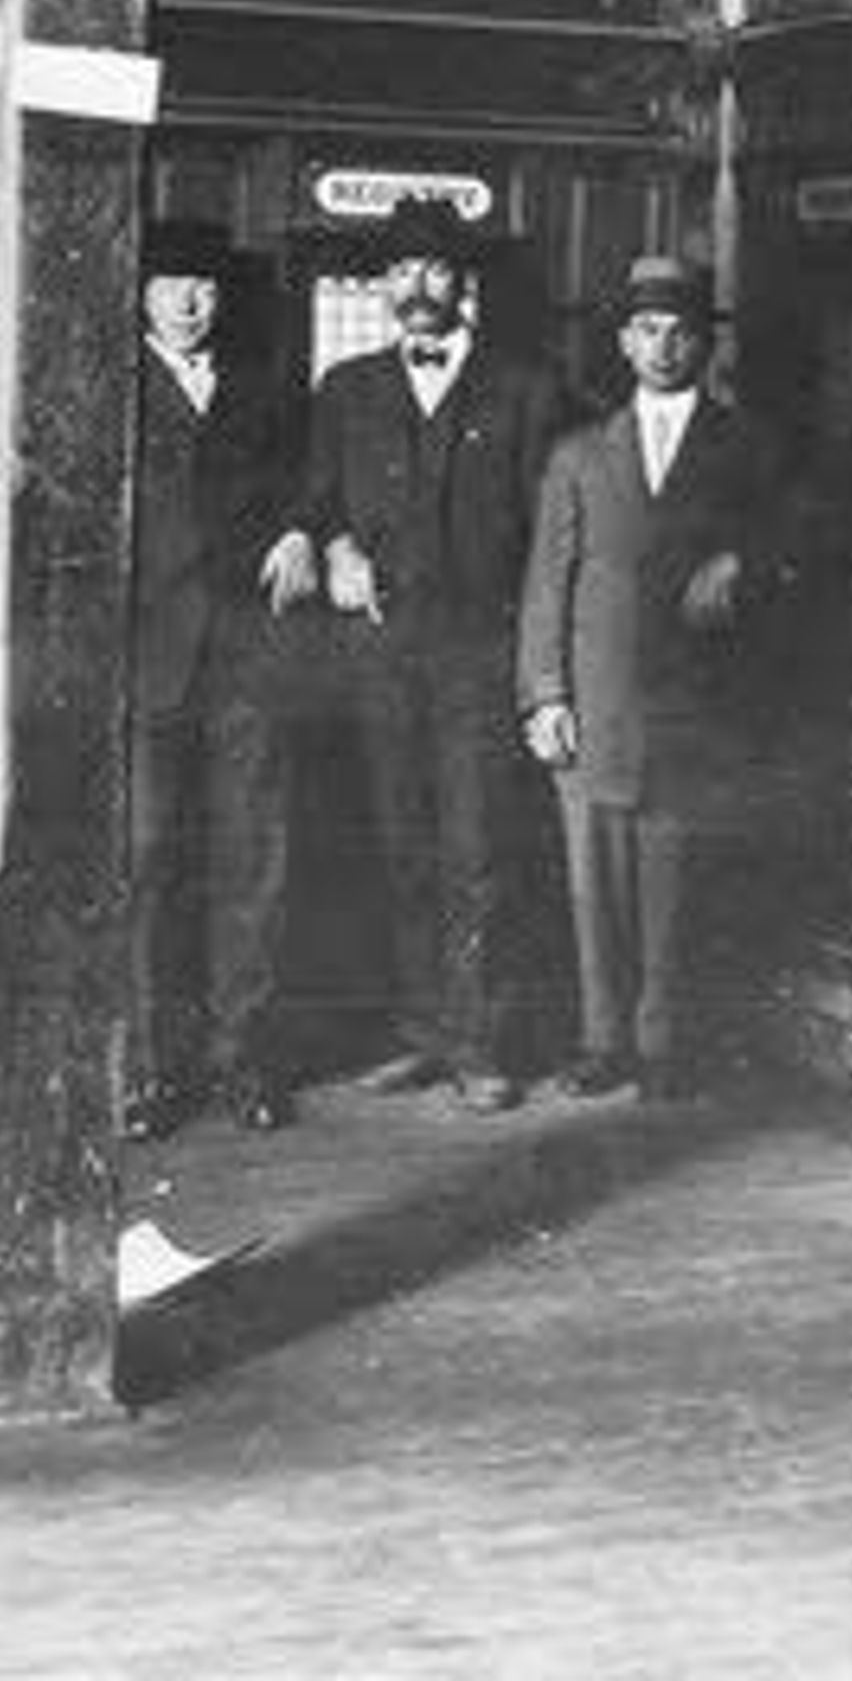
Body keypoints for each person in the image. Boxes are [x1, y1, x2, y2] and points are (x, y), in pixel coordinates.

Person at [265, 194, 566, 1107]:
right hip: (383, 653)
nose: (417, 287)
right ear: (385, 284)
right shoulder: (347, 389)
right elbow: (317, 503)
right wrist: (336, 544)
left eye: (435, 270)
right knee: (400, 843)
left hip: (482, 654)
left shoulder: (527, 391)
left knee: (479, 849)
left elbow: (552, 534)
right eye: (401, 271)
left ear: (462, 285)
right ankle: (421, 1031)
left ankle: (481, 1045)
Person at [519, 256, 786, 1104]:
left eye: (679, 331)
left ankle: (664, 1040)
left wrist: (744, 559)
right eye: (645, 330)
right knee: (591, 876)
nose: (662, 346)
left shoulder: (747, 444)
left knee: (672, 877)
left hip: (696, 702)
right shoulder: (579, 451)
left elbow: (798, 548)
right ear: (624, 342)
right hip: (594, 701)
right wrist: (544, 693)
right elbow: (545, 581)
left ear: (704, 343)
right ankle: (604, 1040)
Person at [122, 219, 298, 1140]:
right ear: (141, 294)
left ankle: (246, 1061)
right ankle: (150, 1068)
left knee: (250, 864)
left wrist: (302, 530)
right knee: (146, 863)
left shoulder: (263, 390)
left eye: (204, 287)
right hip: (145, 658)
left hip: (244, 657)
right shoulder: (107, 384)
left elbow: (305, 491)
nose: (190, 303)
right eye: (171, 285)